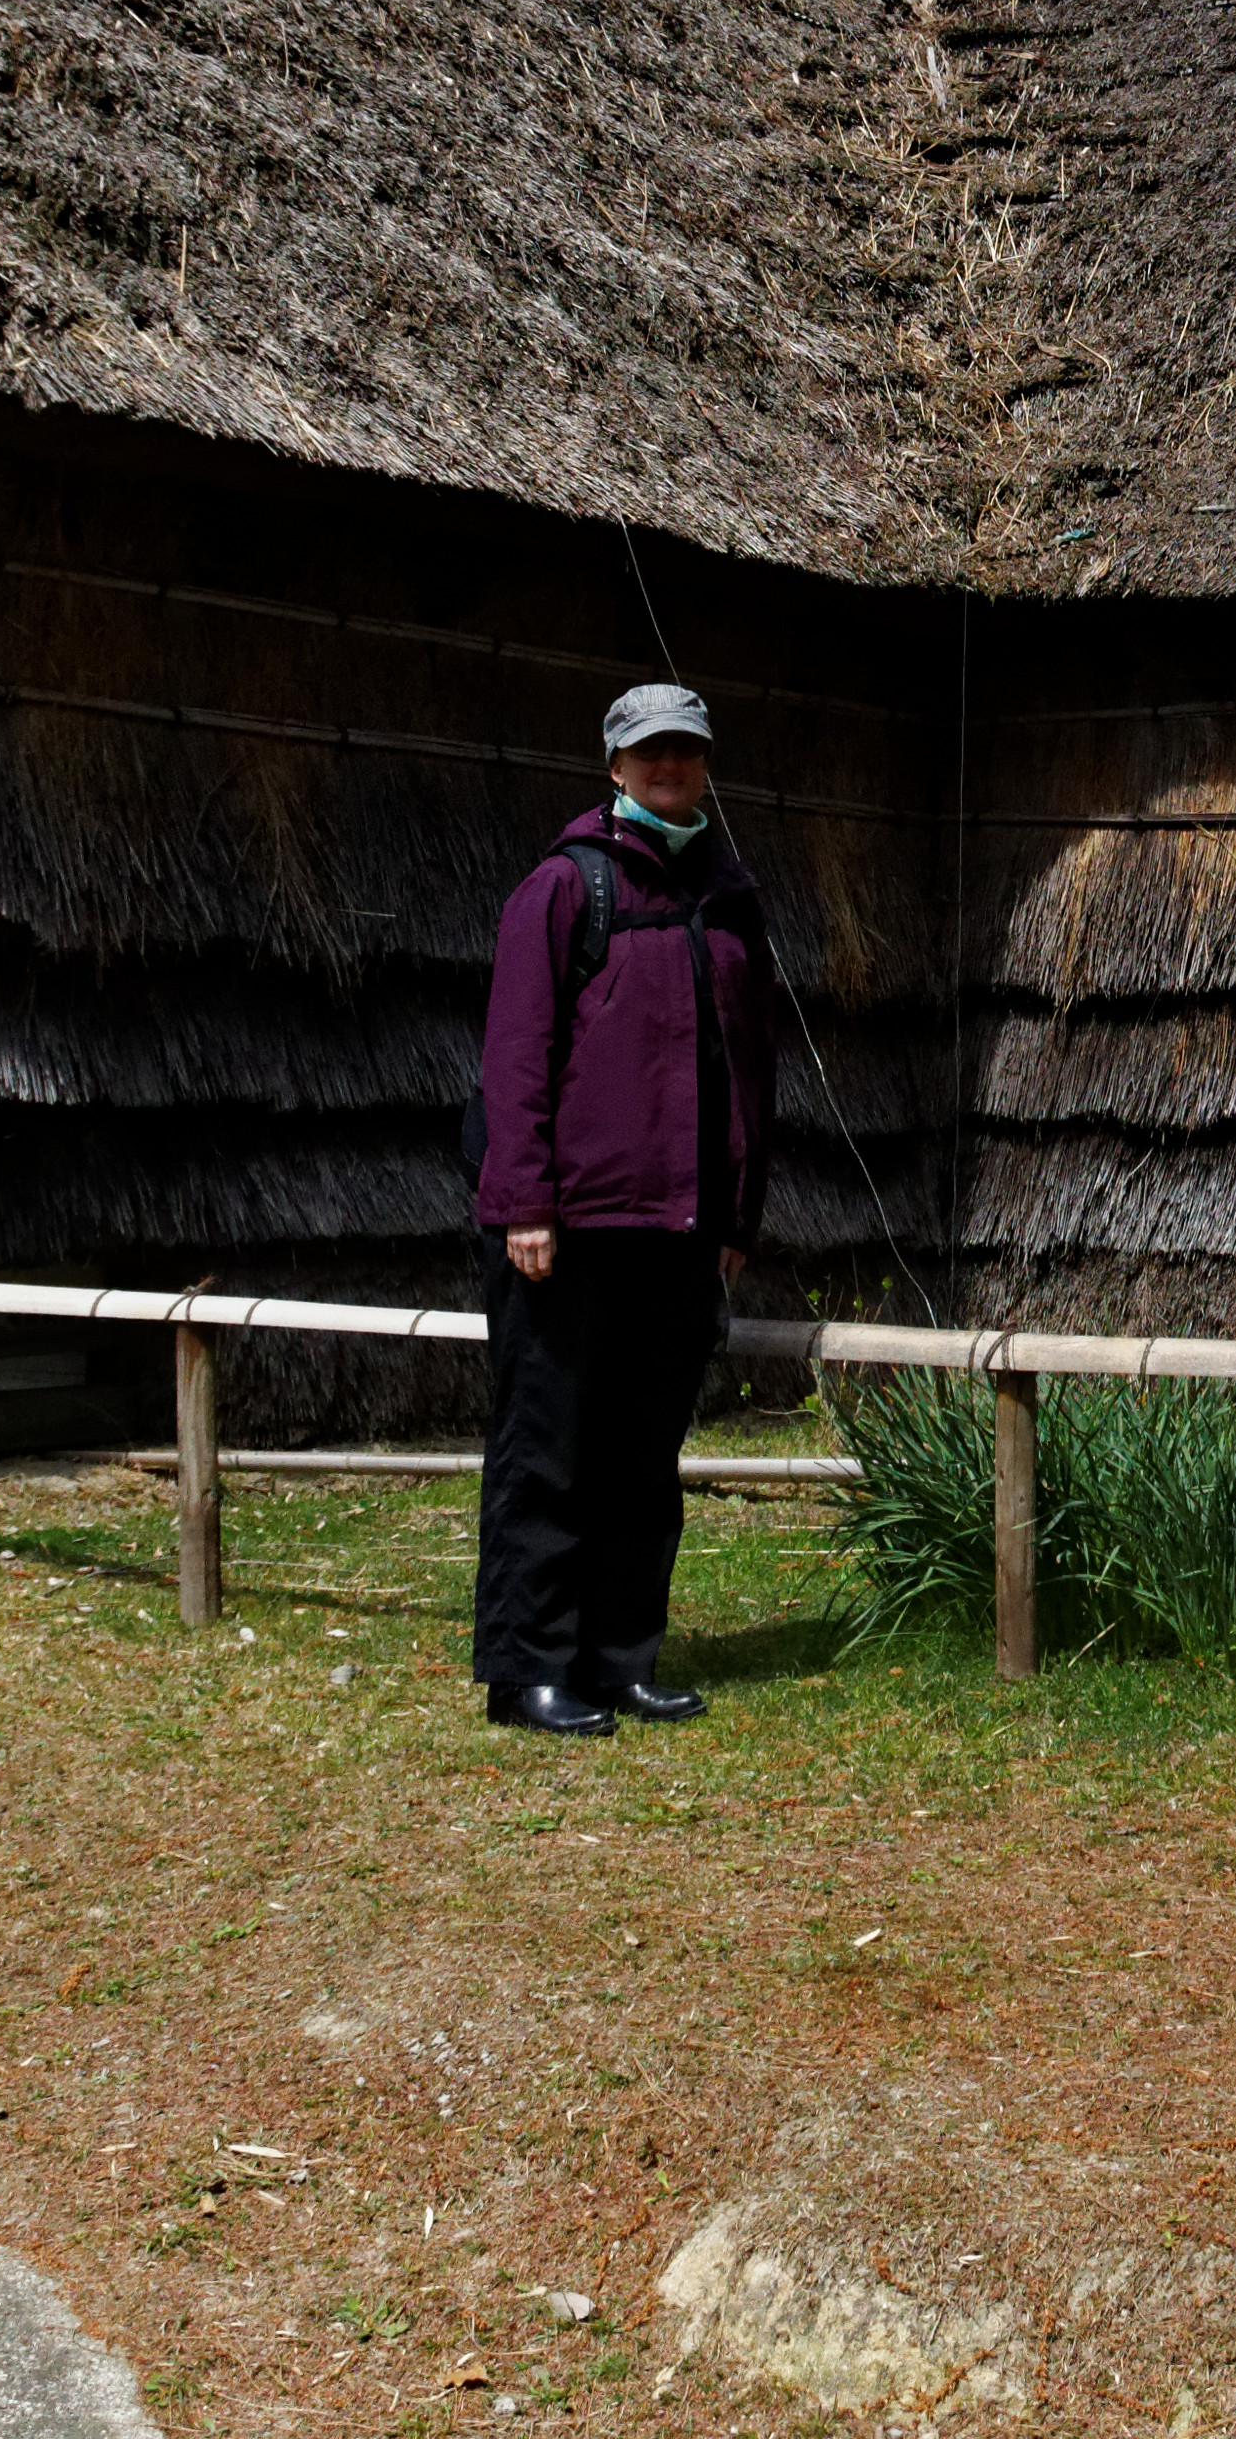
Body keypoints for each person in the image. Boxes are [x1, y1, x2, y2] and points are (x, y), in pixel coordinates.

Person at [469, 679, 773, 1736]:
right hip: (572, 1228)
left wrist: (739, 1215)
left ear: (705, 765)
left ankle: (619, 1655)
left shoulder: (728, 897)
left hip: (681, 1231)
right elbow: (515, 1058)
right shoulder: (563, 890)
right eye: (651, 753)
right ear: (614, 767)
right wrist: (524, 1205)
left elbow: (750, 1071)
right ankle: (529, 1670)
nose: (669, 769)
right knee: (546, 1450)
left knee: (643, 1460)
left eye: (686, 753)